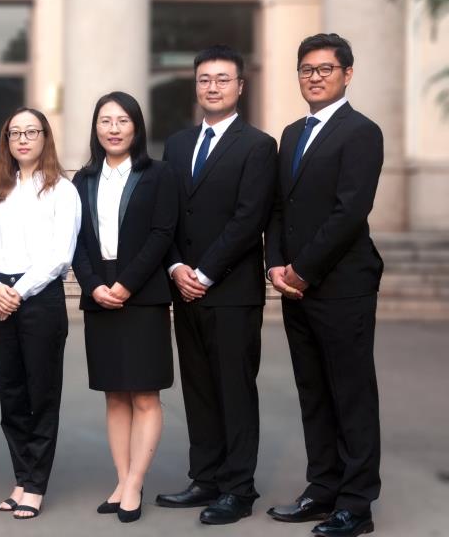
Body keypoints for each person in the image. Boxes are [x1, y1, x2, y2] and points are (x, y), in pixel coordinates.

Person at [265, 33, 383, 537]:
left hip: (341, 285)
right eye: (306, 69)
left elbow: (350, 211)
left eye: (325, 69)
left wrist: (303, 269)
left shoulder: (362, 132)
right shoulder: (292, 133)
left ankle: (356, 504)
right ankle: (323, 489)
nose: (314, 77)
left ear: (347, 74)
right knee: (312, 391)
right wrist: (275, 264)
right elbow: (278, 206)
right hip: (295, 287)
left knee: (350, 394)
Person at [156, 46, 277, 525]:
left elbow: (249, 219)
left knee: (234, 389)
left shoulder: (258, 146)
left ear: (240, 86)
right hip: (183, 287)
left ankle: (238, 489)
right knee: (199, 388)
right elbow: (166, 214)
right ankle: (205, 478)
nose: (212, 87)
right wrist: (175, 267)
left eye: (223, 79)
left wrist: (203, 273)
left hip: (231, 292)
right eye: (204, 79)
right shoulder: (178, 144)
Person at [0, 107, 81, 521]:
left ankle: (35, 485)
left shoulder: (62, 190)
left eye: (31, 132)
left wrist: (17, 291)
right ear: (7, 141)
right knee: (11, 394)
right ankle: (21, 477)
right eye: (15, 133)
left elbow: (59, 255)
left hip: (40, 299)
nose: (23, 139)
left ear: (45, 137)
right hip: (0, 298)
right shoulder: (0, 189)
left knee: (41, 395)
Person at [71, 92, 178, 524]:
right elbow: (76, 241)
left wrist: (126, 284)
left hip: (144, 294)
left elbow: (162, 233)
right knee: (114, 394)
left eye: (122, 120)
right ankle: (121, 479)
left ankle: (135, 482)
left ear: (137, 126)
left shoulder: (159, 174)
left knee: (145, 394)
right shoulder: (82, 180)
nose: (113, 129)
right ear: (96, 127)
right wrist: (94, 285)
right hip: (99, 296)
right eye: (105, 121)